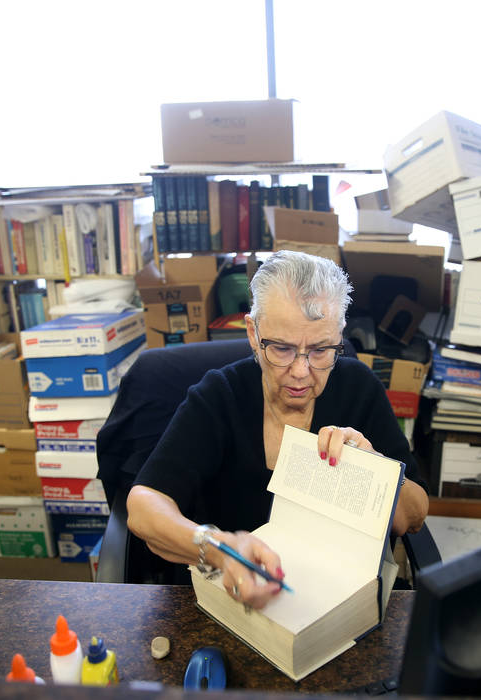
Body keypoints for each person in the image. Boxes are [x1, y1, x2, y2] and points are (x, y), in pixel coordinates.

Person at [127, 250, 429, 610]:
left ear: (339, 336)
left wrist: (376, 469)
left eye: (320, 350)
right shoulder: (221, 396)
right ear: (254, 333)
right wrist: (219, 549)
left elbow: (415, 513)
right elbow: (143, 506)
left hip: (337, 605)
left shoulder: (359, 389)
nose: (301, 371)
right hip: (233, 600)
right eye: (282, 349)